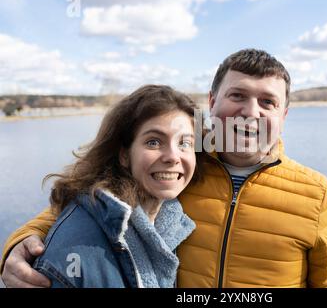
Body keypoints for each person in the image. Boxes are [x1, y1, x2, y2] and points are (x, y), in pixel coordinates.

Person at [1, 49, 327, 288]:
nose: (252, 111)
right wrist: (19, 243)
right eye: (238, 96)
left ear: (284, 115)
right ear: (212, 102)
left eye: (268, 101)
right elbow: (97, 203)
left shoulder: (315, 193)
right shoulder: (180, 167)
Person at [1, 85, 204, 287]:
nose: (173, 157)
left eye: (185, 143)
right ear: (124, 154)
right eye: (153, 142)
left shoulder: (165, 223)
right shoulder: (74, 253)